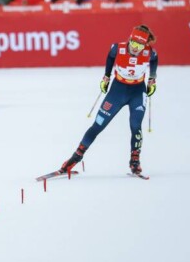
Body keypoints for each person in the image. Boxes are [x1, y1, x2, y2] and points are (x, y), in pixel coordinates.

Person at [56, 25, 158, 176]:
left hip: (137, 91)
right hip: (118, 91)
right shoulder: (117, 48)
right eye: (135, 44)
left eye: (141, 45)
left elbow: (154, 60)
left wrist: (152, 79)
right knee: (98, 125)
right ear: (130, 40)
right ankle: (73, 159)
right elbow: (110, 57)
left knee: (136, 125)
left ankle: (134, 162)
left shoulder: (149, 52)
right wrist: (106, 76)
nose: (137, 49)